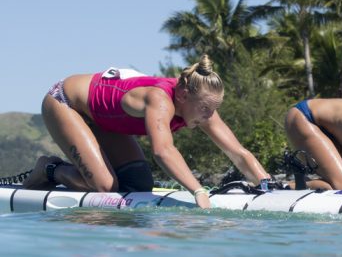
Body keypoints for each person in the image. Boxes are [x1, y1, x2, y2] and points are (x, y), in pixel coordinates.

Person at [23, 55, 271, 209]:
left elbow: (238, 152)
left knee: (138, 183)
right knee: (106, 188)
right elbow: (163, 151)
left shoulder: (198, 104)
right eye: (206, 109)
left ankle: (70, 171)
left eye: (214, 109)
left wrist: (267, 186)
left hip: (104, 119)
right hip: (66, 102)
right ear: (184, 95)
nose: (210, 116)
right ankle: (50, 169)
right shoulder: (160, 100)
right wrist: (198, 191)